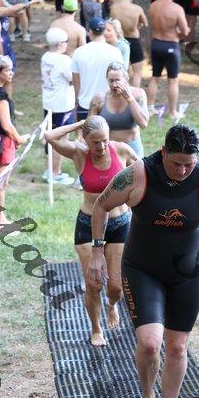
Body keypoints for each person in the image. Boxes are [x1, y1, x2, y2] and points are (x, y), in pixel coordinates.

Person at [89, 124, 199, 398]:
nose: (183, 170)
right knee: (150, 344)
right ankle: (148, 396)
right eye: (176, 163)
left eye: (189, 164)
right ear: (163, 152)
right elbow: (101, 206)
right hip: (142, 269)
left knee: (177, 347)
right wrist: (98, 252)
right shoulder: (139, 174)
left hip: (187, 274)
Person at [45, 115, 138, 346]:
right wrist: (80, 124)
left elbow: (144, 173)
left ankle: (112, 305)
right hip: (88, 224)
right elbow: (50, 136)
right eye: (96, 142)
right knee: (94, 284)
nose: (102, 146)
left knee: (116, 287)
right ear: (85, 139)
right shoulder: (79, 153)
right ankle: (96, 329)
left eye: (105, 140)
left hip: (119, 223)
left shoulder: (122, 150)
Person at [0, 55, 29, 229]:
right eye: (7, 70)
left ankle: (0, 218)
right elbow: (7, 125)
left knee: (0, 182)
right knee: (0, 184)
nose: (11, 73)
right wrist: (19, 138)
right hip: (2, 142)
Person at [89, 61, 148, 157]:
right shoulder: (99, 99)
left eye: (117, 80)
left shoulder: (138, 94)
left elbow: (143, 123)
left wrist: (130, 98)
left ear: (126, 79)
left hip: (133, 148)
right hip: (108, 149)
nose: (114, 84)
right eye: (111, 81)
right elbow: (89, 128)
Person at [71, 17, 123, 122]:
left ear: (89, 32)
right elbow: (121, 79)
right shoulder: (115, 52)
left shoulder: (79, 52)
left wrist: (75, 102)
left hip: (85, 104)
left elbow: (76, 82)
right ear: (104, 32)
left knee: (85, 132)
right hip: (108, 104)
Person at [41, 27, 74, 185]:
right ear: (61, 44)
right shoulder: (64, 60)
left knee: (51, 137)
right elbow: (72, 78)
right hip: (62, 105)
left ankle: (50, 169)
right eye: (66, 41)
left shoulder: (45, 57)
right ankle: (56, 172)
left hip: (49, 102)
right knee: (61, 140)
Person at [147, 0, 189, 120]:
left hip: (156, 43)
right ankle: (172, 112)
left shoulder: (153, 5)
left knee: (155, 77)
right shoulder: (177, 8)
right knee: (173, 80)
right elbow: (185, 31)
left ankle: (150, 108)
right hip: (170, 45)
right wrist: (181, 33)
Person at [110, 0, 148, 87]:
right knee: (137, 72)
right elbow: (145, 23)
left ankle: (119, 91)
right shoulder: (137, 9)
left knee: (119, 71)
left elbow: (112, 22)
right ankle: (134, 93)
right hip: (133, 39)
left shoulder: (113, 7)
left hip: (119, 40)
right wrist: (138, 25)